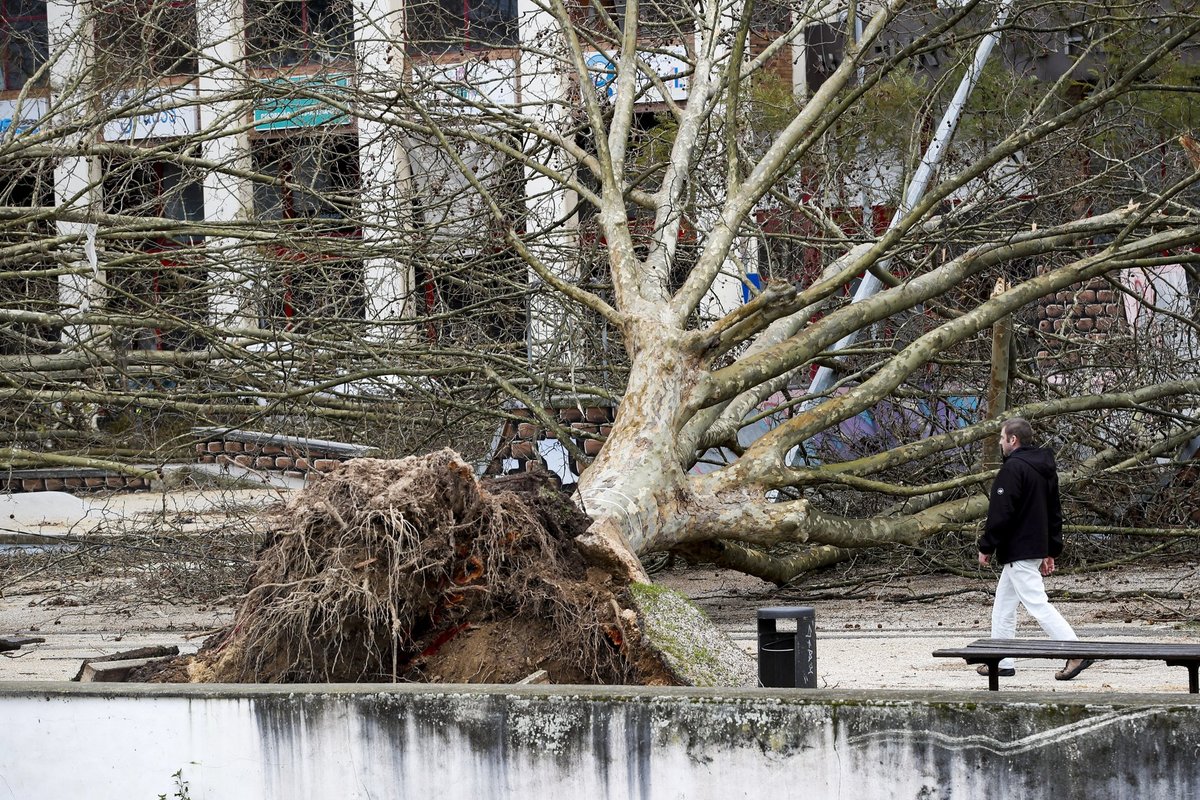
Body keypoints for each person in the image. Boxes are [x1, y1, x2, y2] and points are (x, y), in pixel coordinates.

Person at [977, 417, 1093, 681]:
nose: (999, 442)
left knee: (1038, 604)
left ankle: (1076, 651)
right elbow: (1054, 512)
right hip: (1031, 548)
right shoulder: (1044, 469)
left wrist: (987, 546)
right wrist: (1050, 549)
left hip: (1019, 549)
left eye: (1002, 437)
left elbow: (1000, 513)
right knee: (1003, 607)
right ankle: (1001, 660)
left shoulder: (1013, 469)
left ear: (1012, 440)